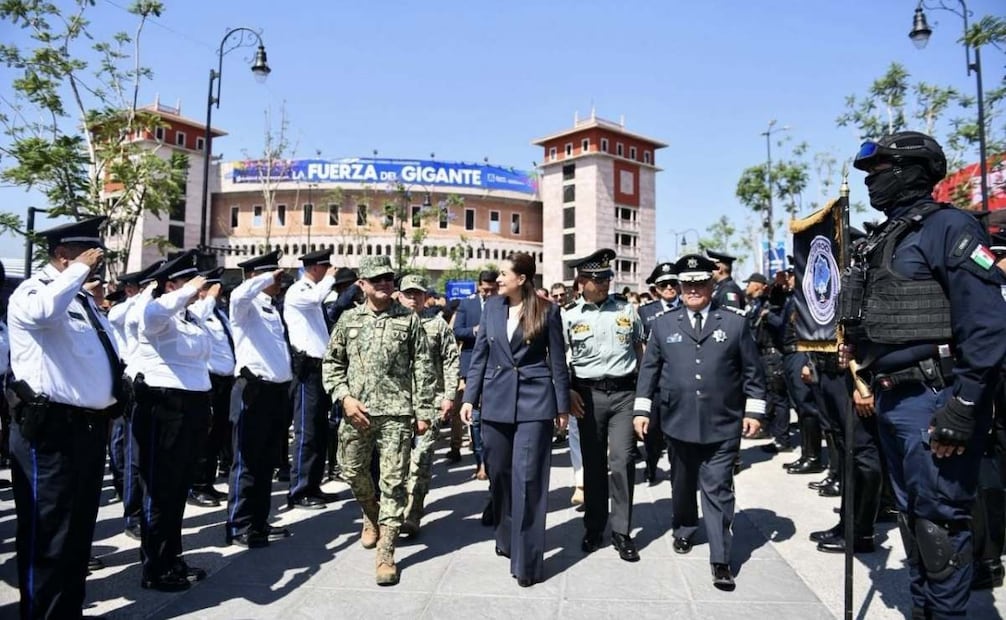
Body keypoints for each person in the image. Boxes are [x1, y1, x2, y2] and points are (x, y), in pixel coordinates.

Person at [841, 131, 1006, 618]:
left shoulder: (949, 227)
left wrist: (965, 404)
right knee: (913, 520)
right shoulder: (887, 236)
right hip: (894, 397)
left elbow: (987, 324)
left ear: (913, 171)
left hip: (936, 397)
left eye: (881, 171)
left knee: (938, 524)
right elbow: (892, 317)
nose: (873, 182)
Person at [7, 216, 121, 618]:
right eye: (87, 255)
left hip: (87, 429)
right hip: (50, 432)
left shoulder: (81, 300)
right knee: (49, 535)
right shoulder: (33, 292)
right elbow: (42, 314)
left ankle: (67, 611)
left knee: (77, 534)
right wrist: (77, 272)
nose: (96, 262)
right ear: (61, 255)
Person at [633, 253, 766, 591]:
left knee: (718, 489)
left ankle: (721, 559)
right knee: (681, 484)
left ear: (711, 284)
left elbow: (753, 371)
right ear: (678, 287)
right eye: (686, 284)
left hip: (722, 423)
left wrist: (754, 411)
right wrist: (642, 410)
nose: (692, 289)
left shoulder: (734, 323)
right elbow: (649, 370)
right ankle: (684, 528)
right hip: (676, 422)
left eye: (699, 283)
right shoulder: (663, 325)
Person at [322, 255, 435, 586]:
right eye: (377, 279)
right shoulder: (348, 320)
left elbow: (423, 366)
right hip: (357, 413)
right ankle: (371, 515)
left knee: (393, 482)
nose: (385, 283)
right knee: (352, 471)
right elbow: (332, 364)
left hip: (397, 414)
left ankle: (386, 552)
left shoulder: (408, 319)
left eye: (389, 278)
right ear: (362, 285)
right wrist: (344, 397)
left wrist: (424, 411)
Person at [460, 252, 571, 587]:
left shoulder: (547, 310)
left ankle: (528, 562)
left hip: (534, 403)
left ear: (521, 278)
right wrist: (469, 398)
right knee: (500, 473)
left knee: (529, 480)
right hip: (495, 402)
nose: (498, 277)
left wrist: (562, 407)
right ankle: (506, 536)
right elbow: (479, 356)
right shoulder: (492, 307)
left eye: (504, 273)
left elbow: (558, 362)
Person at [127, 250, 212, 591]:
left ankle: (172, 557)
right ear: (171, 284)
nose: (198, 289)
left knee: (177, 488)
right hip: (164, 407)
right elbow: (151, 316)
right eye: (189, 282)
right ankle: (154, 566)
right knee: (160, 490)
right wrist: (175, 290)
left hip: (192, 406)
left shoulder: (189, 316)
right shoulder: (153, 310)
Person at [564, 249, 644, 562]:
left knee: (623, 460)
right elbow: (559, 360)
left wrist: (643, 395)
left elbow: (641, 349)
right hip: (588, 396)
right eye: (597, 279)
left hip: (624, 394)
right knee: (594, 464)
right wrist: (568, 392)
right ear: (581, 282)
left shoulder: (627, 310)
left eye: (607, 278)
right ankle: (594, 526)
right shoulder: (569, 315)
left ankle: (622, 531)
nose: (604, 284)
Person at [226, 250, 293, 549]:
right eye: (273, 276)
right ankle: (240, 525)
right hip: (252, 390)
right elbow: (240, 294)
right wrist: (264, 278)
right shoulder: (245, 305)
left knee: (266, 462)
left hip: (275, 392)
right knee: (247, 461)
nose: (279, 281)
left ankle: (259, 521)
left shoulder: (270, 307)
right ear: (256, 277)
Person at [398, 274, 460, 537]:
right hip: (396, 403)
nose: (413, 298)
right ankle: (393, 511)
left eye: (418, 293)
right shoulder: (389, 323)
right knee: (397, 461)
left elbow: (450, 359)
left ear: (425, 297)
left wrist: (448, 395)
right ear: (398, 295)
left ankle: (413, 513)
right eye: (408, 293)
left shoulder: (437, 325)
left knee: (421, 459)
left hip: (429, 402)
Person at [284, 249, 338, 509]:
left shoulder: (313, 291)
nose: (329, 270)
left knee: (319, 431)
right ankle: (300, 489)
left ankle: (313, 486)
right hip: (306, 369)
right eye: (325, 266)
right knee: (306, 431)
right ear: (315, 267)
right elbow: (317, 298)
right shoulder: (299, 291)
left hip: (320, 368)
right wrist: (331, 280)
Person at [187, 267, 236, 508]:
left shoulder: (220, 314)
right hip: (210, 381)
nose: (218, 292)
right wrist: (207, 297)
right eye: (212, 288)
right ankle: (197, 486)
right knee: (205, 436)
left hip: (226, 381)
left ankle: (208, 482)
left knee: (218, 435)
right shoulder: (196, 310)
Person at [637, 261, 680, 483]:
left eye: (674, 283)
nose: (670, 288)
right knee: (652, 432)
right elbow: (639, 346)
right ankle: (651, 465)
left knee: (676, 432)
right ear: (656, 289)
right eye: (664, 285)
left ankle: (678, 470)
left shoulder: (688, 308)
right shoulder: (646, 312)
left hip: (679, 381)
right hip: (655, 382)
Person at [452, 269, 498, 475]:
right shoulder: (467, 303)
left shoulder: (503, 303)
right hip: (472, 365)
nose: (488, 293)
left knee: (494, 414)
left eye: (492, 289)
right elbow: (456, 331)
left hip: (497, 366)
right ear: (479, 286)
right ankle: (481, 462)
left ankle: (495, 458)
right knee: (476, 417)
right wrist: (474, 330)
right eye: (485, 289)